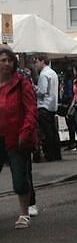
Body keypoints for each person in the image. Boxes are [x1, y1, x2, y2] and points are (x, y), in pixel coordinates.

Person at [0, 46, 38, 229]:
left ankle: (24, 213)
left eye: (9, 60)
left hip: (16, 138)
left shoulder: (22, 83)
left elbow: (31, 110)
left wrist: (25, 131)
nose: (7, 64)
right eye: (3, 60)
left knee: (19, 179)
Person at [34, 55, 61, 162]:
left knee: (46, 132)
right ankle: (56, 154)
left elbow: (42, 92)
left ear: (42, 61)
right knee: (53, 131)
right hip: (52, 105)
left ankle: (49, 154)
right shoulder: (53, 73)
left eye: (37, 62)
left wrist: (35, 90)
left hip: (44, 105)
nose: (36, 65)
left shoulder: (43, 74)